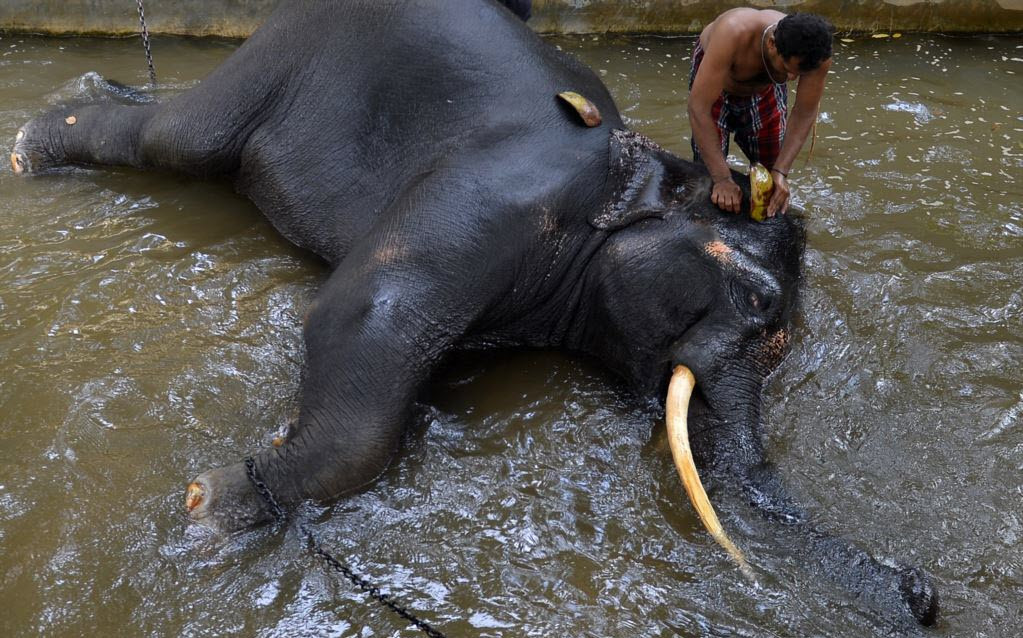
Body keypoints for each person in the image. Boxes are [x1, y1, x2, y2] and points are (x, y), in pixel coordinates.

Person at [688, 10, 833, 217]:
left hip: (765, 89)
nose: (791, 78)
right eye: (787, 68)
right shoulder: (733, 33)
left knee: (770, 181)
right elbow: (698, 108)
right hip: (716, 89)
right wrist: (722, 179)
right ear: (772, 44)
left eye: (799, 74)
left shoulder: (818, 57)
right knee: (708, 177)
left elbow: (804, 112)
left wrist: (781, 172)